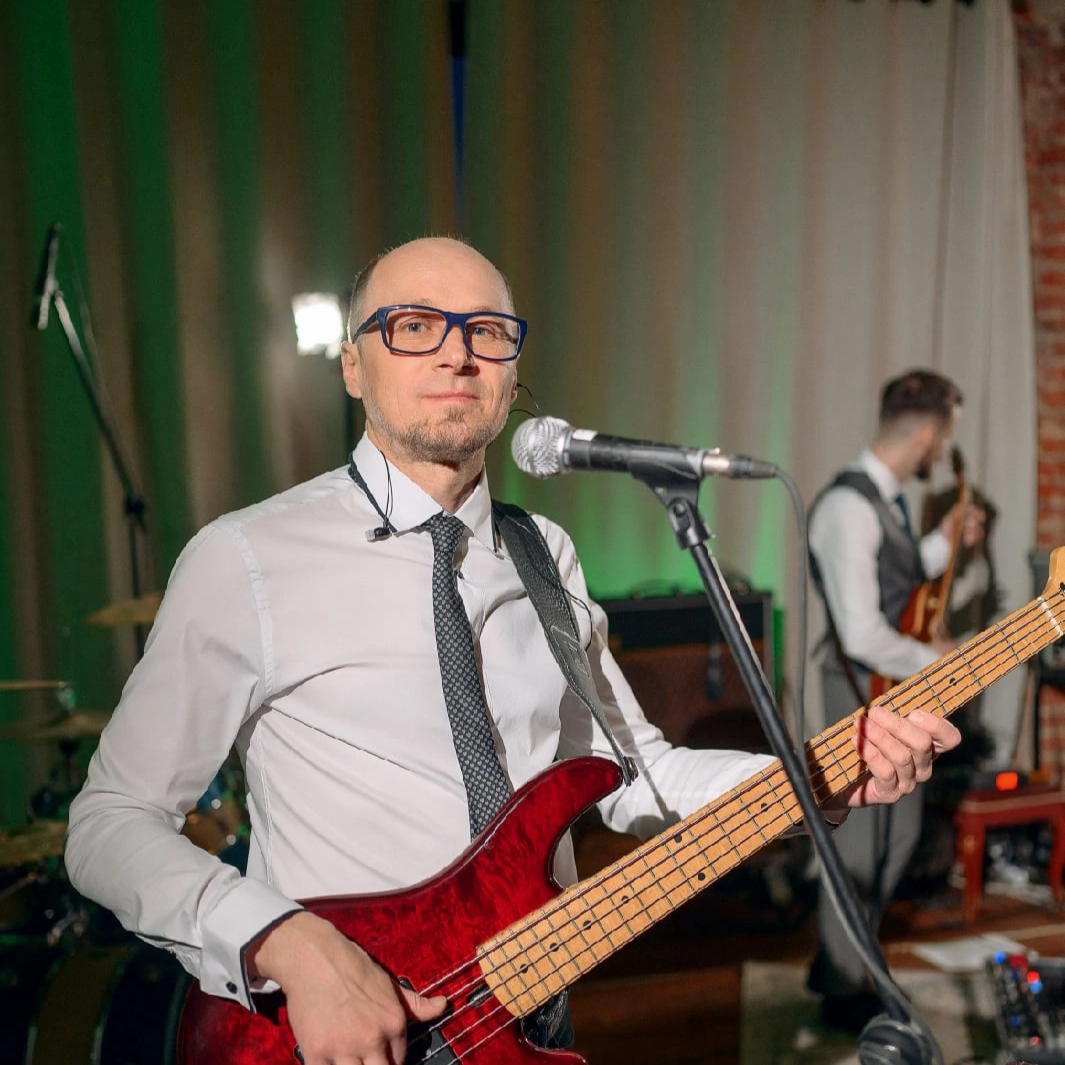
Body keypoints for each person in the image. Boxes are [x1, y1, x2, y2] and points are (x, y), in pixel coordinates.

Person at [65, 238, 962, 1065]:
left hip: (531, 1022)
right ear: (352, 364)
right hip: (340, 1037)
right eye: (413, 326)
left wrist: (819, 775)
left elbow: (639, 775)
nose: (456, 353)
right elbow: (109, 821)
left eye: (486, 330)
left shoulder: (546, 554)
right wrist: (286, 943)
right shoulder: (248, 557)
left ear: (511, 369)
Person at [806, 368, 985, 1034]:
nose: (944, 452)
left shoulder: (885, 500)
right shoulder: (846, 507)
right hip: (855, 688)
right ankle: (843, 985)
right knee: (860, 846)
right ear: (928, 434)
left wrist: (947, 540)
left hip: (888, 689)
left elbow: (899, 573)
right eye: (946, 437)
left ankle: (846, 961)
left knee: (897, 835)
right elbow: (860, 633)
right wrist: (942, 661)